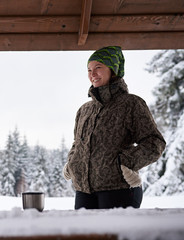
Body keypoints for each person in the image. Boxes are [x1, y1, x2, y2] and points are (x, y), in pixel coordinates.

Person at [63, 46, 166, 209]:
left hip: (119, 188)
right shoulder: (85, 110)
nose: (92, 74)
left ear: (113, 70)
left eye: (98, 68)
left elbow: (155, 142)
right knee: (83, 234)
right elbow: (78, 143)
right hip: (84, 190)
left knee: (115, 235)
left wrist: (126, 163)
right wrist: (72, 163)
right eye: (89, 70)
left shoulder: (131, 104)